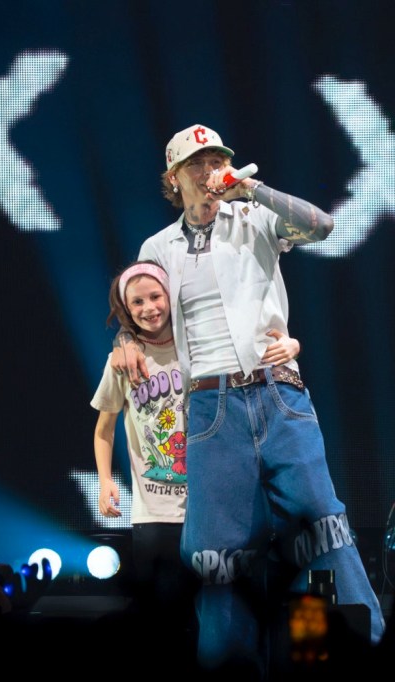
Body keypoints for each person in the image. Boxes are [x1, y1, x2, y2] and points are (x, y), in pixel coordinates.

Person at [113, 124, 385, 673]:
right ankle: (229, 669)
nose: (209, 170)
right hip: (210, 406)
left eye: (216, 160)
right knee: (216, 552)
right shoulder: (157, 247)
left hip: (277, 391)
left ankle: (350, 653)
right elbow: (141, 308)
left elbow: (323, 226)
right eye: (197, 163)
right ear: (174, 177)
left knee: (321, 525)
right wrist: (125, 339)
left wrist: (251, 189)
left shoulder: (253, 216)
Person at [92, 259, 301, 662]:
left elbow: (260, 357)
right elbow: (104, 428)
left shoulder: (201, 348)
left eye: (156, 296)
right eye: (138, 302)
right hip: (154, 514)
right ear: (126, 309)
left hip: (210, 509)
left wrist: (292, 347)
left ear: (171, 297)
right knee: (161, 623)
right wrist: (104, 481)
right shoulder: (122, 361)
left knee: (215, 618)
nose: (149, 308)